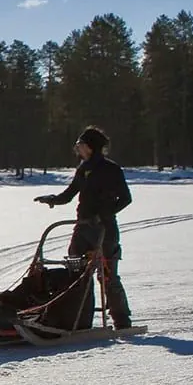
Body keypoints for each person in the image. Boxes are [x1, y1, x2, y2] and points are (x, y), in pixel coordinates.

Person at [34, 125, 132, 328]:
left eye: (80, 145)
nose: (77, 149)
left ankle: (122, 320)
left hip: (104, 231)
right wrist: (52, 199)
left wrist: (104, 214)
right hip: (82, 229)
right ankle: (77, 318)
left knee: (108, 277)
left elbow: (125, 199)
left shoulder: (111, 169)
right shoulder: (83, 169)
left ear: (89, 146)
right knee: (75, 274)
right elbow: (70, 194)